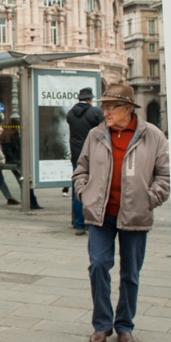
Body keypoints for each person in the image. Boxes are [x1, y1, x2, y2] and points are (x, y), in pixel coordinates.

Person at [74, 83, 169, 342]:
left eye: (110, 107)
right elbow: (81, 169)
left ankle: (124, 325)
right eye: (103, 106)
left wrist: (149, 198)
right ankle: (102, 324)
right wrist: (85, 193)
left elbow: (165, 175)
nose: (105, 112)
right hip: (101, 215)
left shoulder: (152, 135)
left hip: (135, 215)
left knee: (131, 274)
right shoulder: (96, 135)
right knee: (99, 265)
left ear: (127, 109)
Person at [66, 87, 104, 235]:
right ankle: (90, 221)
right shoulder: (95, 112)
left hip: (76, 156)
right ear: (90, 99)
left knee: (78, 188)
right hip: (93, 155)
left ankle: (78, 223)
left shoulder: (70, 113)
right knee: (94, 188)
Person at [1, 116, 42, 209]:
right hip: (17, 162)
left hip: (12, 162)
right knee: (26, 182)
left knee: (23, 182)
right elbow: (18, 148)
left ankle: (31, 201)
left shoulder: (6, 134)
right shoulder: (14, 135)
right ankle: (32, 202)